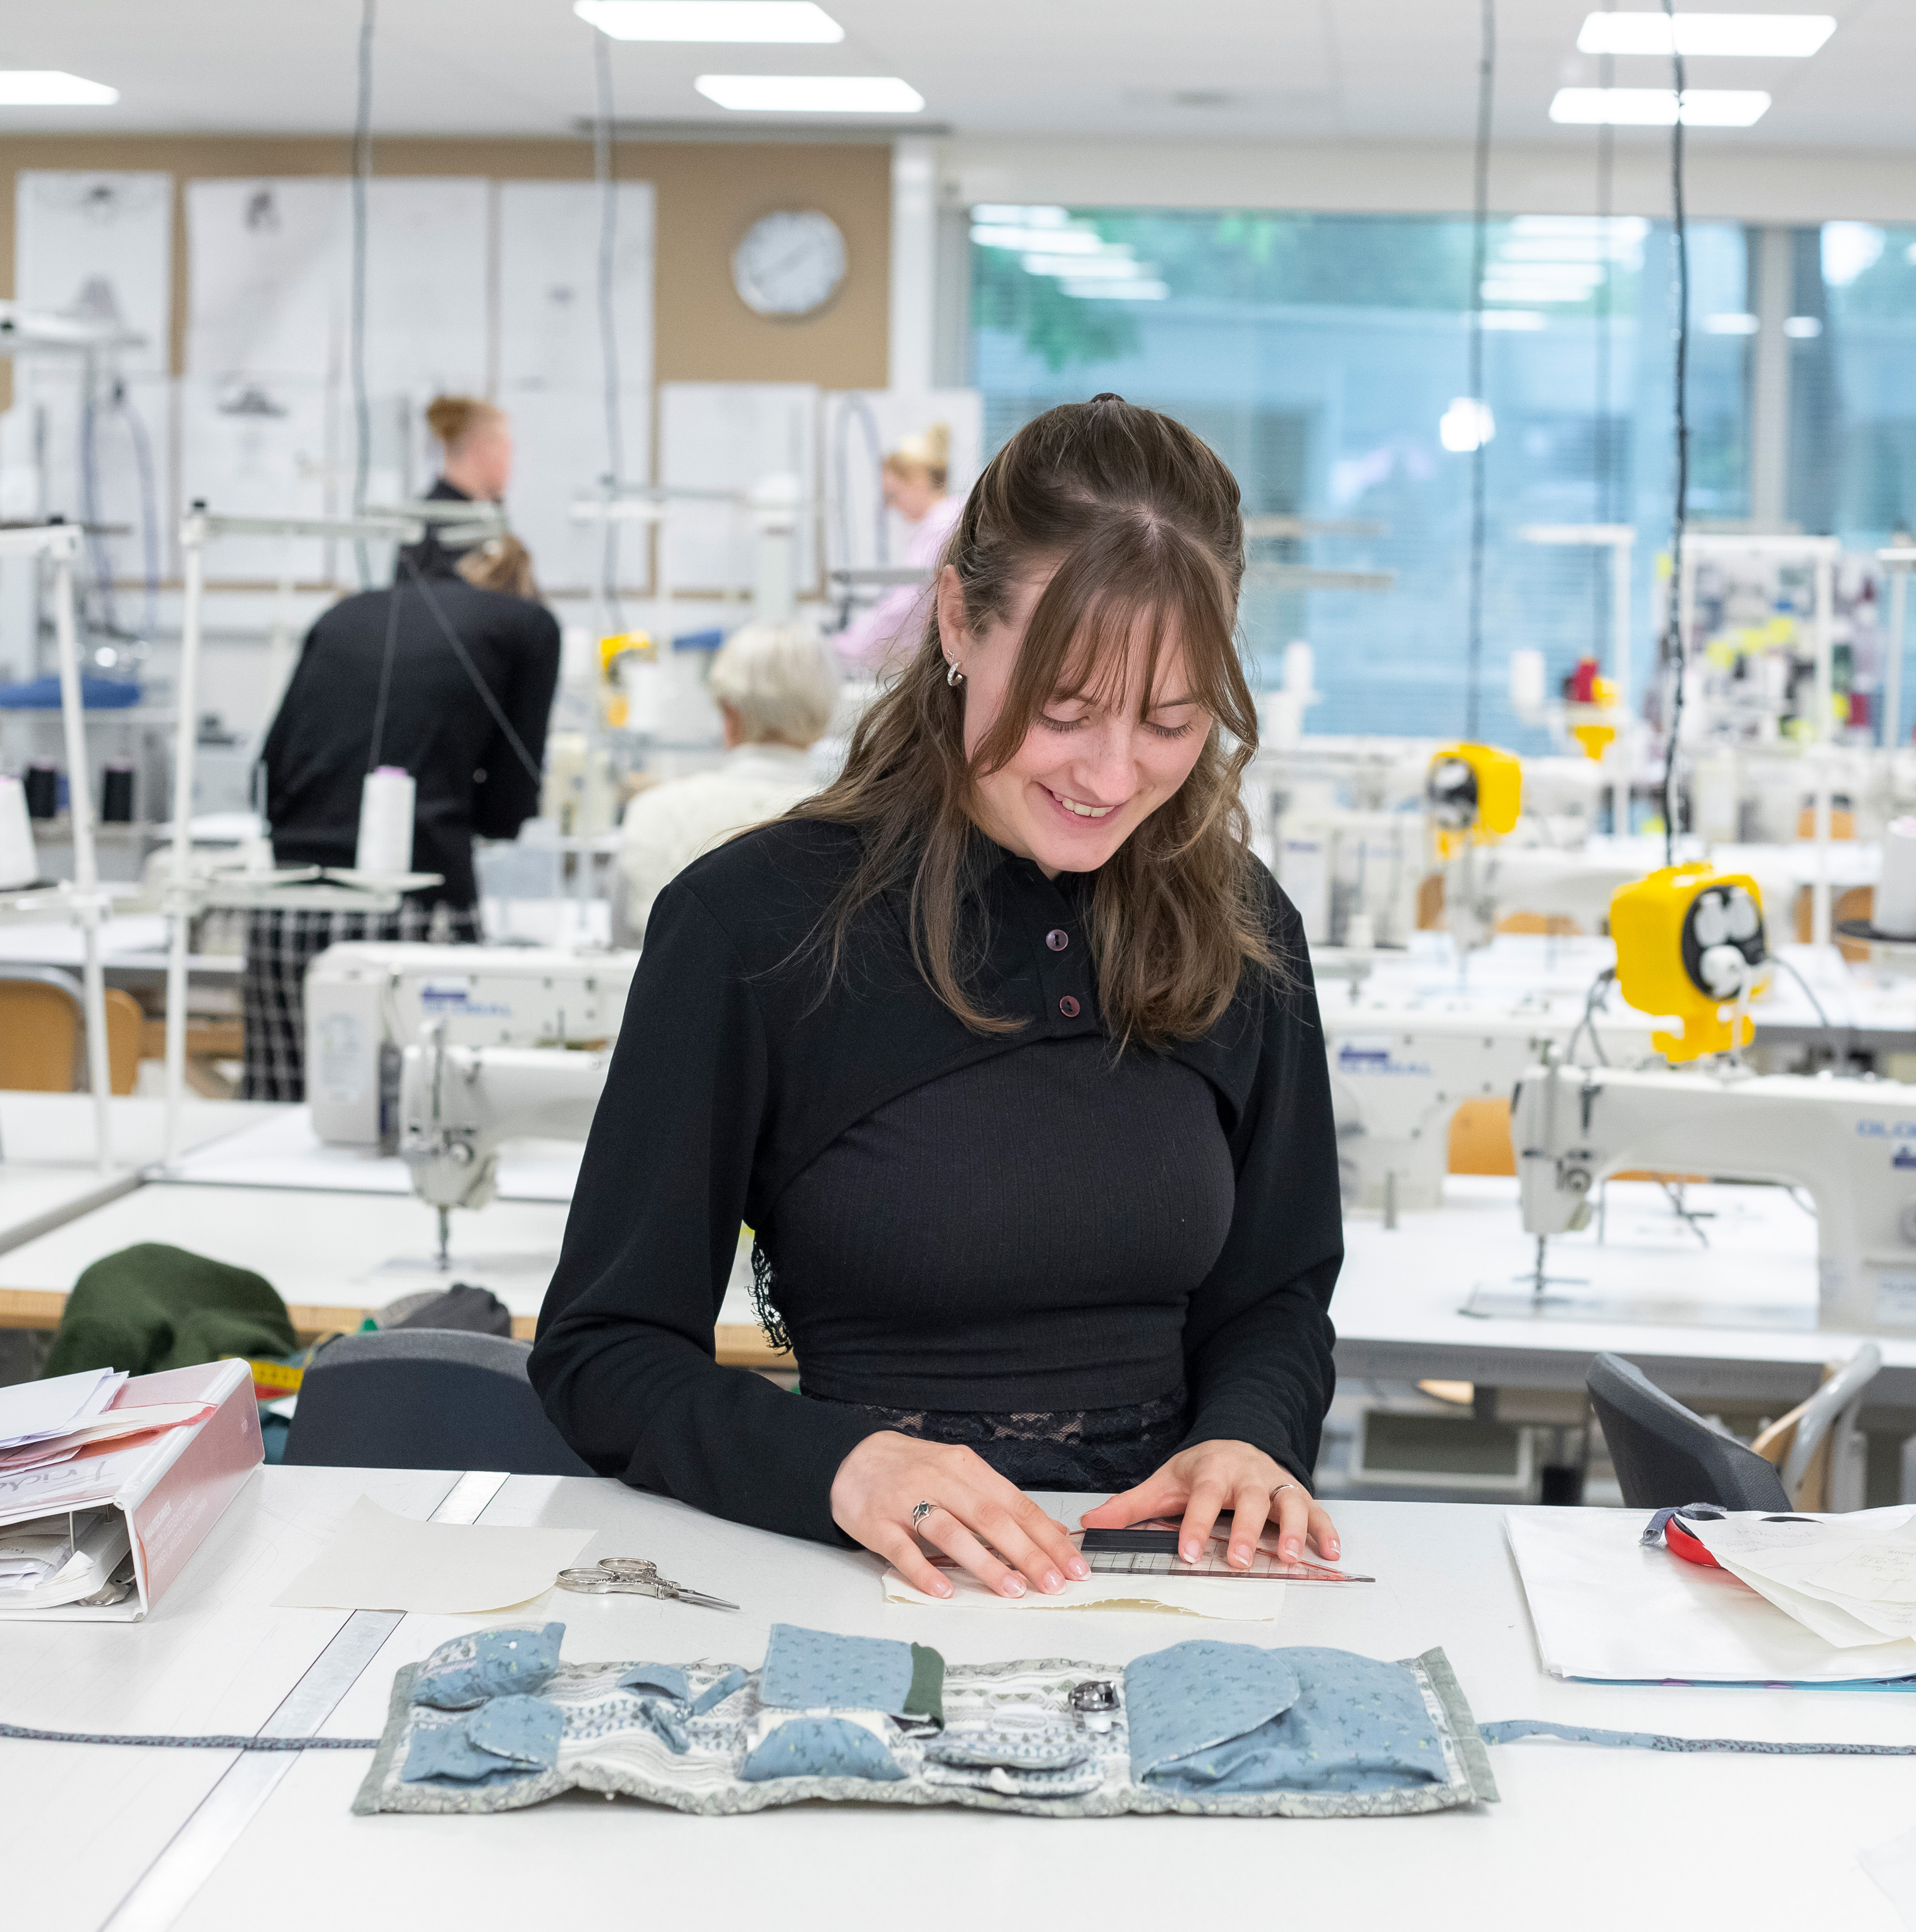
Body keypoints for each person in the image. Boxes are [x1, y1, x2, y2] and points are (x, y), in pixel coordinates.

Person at [532, 395, 1344, 1602]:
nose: (1112, 773)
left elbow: (1277, 1293)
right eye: (1065, 709)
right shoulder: (754, 924)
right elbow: (602, 1354)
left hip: (1168, 1588)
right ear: (959, 619)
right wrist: (837, 1463)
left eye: (1171, 721)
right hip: (860, 1585)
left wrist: (1248, 1435)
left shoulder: (1239, 925)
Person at [243, 534, 560, 1101]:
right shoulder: (527, 626)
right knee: (419, 1117)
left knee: (282, 1118)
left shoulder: (342, 614)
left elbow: (268, 773)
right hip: (412, 917)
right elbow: (508, 808)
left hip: (285, 912)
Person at [612, 623, 838, 947]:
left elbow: (623, 950)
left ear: (728, 713)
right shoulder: (847, 823)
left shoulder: (652, 813)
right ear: (824, 716)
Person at [826, 424, 961, 671]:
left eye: (893, 495)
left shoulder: (942, 525)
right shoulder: (949, 516)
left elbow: (906, 606)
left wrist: (849, 647)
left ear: (918, 483)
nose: (889, 506)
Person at [399, 395, 512, 583]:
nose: (510, 460)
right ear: (482, 448)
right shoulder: (453, 525)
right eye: (506, 447)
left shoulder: (426, 513)